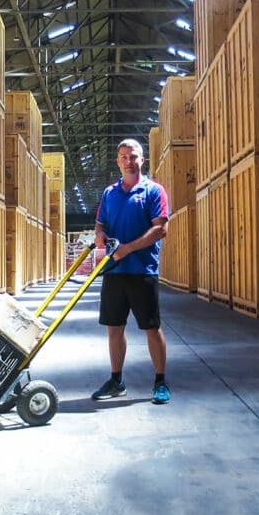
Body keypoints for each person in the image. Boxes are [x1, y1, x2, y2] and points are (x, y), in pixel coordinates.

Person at [91, 139, 171, 404]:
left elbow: (160, 228)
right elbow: (100, 225)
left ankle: (160, 381)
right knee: (114, 328)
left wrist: (128, 249)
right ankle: (116, 381)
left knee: (151, 328)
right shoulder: (109, 193)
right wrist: (101, 236)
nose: (129, 161)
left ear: (142, 160)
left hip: (142, 270)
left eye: (133, 156)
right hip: (114, 270)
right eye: (124, 156)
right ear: (118, 161)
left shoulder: (154, 191)